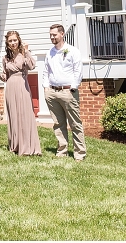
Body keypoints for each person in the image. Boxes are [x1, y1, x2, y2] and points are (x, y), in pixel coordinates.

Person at [43, 24, 85, 161]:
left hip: (68, 92)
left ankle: (80, 153)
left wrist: (73, 87)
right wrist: (46, 88)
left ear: (62, 34)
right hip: (52, 92)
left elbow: (78, 70)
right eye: (50, 35)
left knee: (75, 124)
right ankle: (62, 151)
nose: (52, 37)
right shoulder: (50, 52)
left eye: (54, 35)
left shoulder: (73, 51)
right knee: (58, 124)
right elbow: (46, 71)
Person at [0, 31, 41, 156]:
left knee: (25, 114)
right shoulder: (5, 58)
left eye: (15, 40)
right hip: (10, 88)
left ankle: (28, 146)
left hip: (22, 86)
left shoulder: (24, 54)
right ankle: (16, 145)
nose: (13, 43)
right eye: (10, 41)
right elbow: (5, 76)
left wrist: (27, 51)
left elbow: (32, 66)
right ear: (7, 43)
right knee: (14, 115)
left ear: (19, 40)